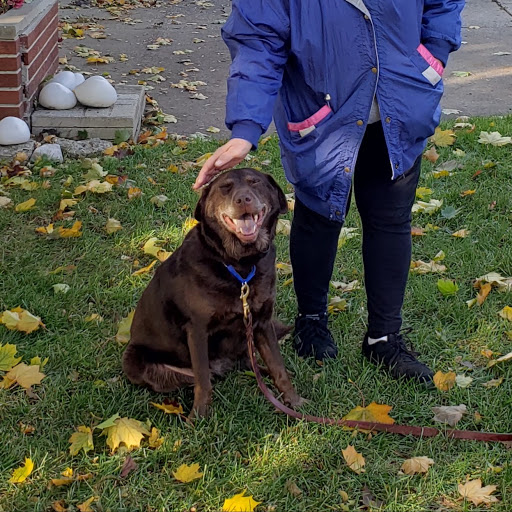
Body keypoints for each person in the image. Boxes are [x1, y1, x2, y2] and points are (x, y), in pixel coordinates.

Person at [193, 0, 465, 384]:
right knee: (319, 213)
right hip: (321, 117)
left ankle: (383, 337)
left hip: (402, 105)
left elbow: (444, 4)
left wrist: (432, 56)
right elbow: (258, 43)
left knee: (390, 219)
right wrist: (245, 129)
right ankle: (312, 321)